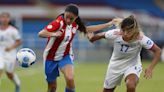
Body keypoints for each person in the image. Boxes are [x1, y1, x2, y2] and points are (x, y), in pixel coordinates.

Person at [38, 4, 114, 92]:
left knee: (70, 78)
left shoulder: (75, 24)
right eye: (67, 17)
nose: (68, 20)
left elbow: (87, 29)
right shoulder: (58, 22)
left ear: (76, 17)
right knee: (52, 87)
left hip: (65, 56)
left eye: (71, 18)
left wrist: (108, 24)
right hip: (50, 58)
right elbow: (41, 33)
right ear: (64, 13)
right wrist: (54, 34)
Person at [87, 15, 161, 92]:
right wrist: (92, 38)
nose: (125, 33)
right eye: (123, 30)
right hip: (115, 65)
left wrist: (150, 68)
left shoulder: (141, 38)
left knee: (131, 85)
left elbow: (158, 51)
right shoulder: (115, 33)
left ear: (134, 30)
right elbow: (100, 35)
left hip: (132, 65)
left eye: (128, 31)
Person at [0, 12, 21, 92]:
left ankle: (17, 83)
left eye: (6, 17)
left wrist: (11, 47)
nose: (4, 19)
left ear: (9, 19)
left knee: (9, 73)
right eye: (3, 17)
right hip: (0, 53)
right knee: (0, 68)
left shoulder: (13, 30)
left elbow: (19, 41)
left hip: (10, 54)